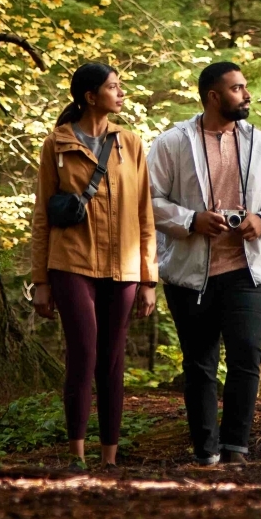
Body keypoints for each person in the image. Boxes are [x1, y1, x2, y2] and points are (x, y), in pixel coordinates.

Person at [146, 62, 261, 467]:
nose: (247, 95)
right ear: (213, 96)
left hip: (248, 270)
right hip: (189, 274)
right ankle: (205, 450)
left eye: (246, 87)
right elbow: (148, 199)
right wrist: (190, 220)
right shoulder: (173, 142)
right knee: (199, 363)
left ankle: (236, 448)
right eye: (237, 88)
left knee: (246, 355)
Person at [30, 63, 158, 469]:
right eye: (113, 88)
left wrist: (149, 278)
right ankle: (76, 455)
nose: (121, 94)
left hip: (123, 269)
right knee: (83, 354)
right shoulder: (57, 145)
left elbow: (145, 213)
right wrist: (41, 282)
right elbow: (41, 217)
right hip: (71, 263)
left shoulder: (131, 143)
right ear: (90, 96)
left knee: (113, 359)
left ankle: (110, 458)